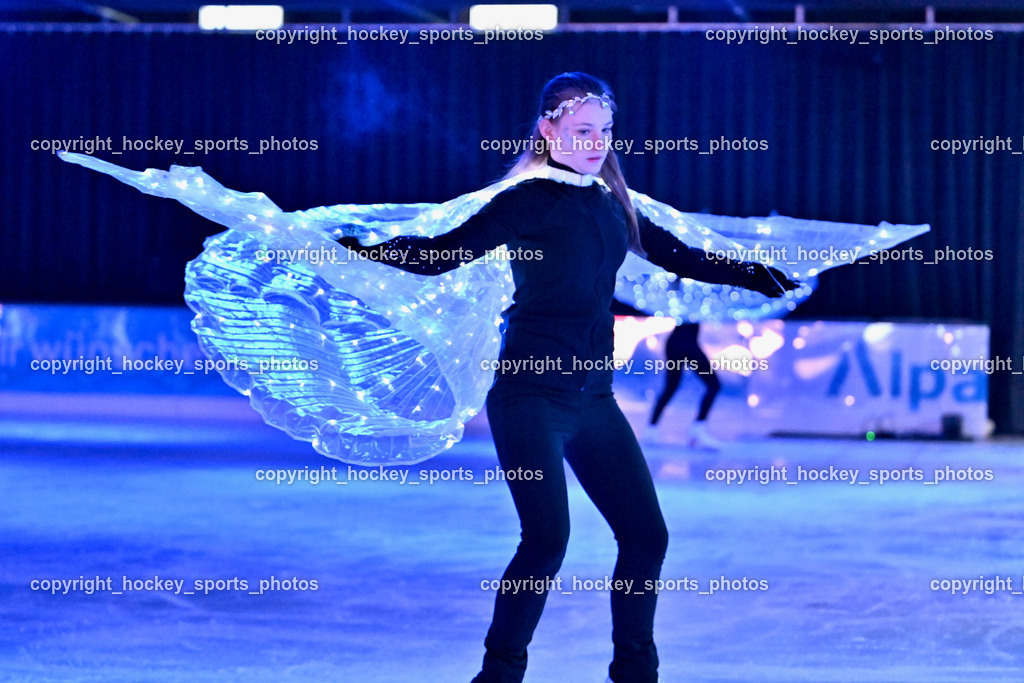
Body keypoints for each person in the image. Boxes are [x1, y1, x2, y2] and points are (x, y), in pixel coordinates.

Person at [337, 72, 797, 683]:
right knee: (546, 541)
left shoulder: (610, 203)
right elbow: (442, 254)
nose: (596, 143)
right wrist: (363, 251)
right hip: (530, 397)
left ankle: (635, 673)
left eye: (605, 131)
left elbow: (677, 255)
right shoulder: (527, 200)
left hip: (594, 402)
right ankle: (499, 675)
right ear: (548, 130)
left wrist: (752, 273)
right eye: (582, 131)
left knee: (646, 537)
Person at [646, 323, 723, 450]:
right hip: (686, 344)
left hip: (676, 343)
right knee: (713, 385)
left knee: (671, 387)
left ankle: (651, 428)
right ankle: (698, 430)